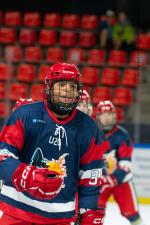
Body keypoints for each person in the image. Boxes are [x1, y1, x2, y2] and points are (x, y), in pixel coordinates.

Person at [0, 62, 108, 225]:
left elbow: (90, 177)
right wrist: (28, 175)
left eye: (72, 86)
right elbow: (3, 156)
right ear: (49, 88)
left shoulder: (89, 128)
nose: (67, 90)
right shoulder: (25, 114)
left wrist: (88, 212)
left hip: (59, 216)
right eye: (62, 84)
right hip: (17, 211)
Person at [96, 100, 146, 225]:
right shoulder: (93, 134)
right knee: (94, 213)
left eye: (109, 114)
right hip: (101, 181)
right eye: (103, 114)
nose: (106, 118)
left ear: (114, 116)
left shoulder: (122, 135)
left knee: (132, 215)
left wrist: (112, 178)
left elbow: (125, 164)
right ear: (98, 117)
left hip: (121, 182)